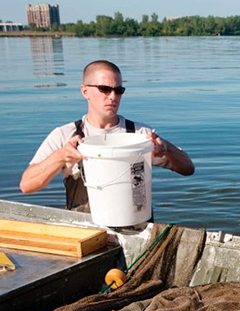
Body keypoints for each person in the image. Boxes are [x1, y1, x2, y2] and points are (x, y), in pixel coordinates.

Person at [20, 60, 195, 212]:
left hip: (136, 229)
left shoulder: (140, 135)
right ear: (85, 91)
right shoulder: (64, 135)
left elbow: (188, 168)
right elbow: (26, 185)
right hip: (86, 233)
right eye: (105, 89)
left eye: (119, 90)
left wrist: (165, 148)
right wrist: (59, 157)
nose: (113, 97)